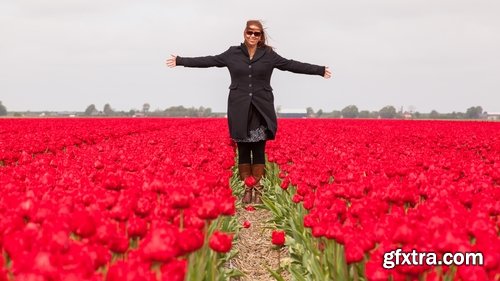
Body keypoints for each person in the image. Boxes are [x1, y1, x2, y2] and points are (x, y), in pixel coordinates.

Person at [166, 20, 331, 204]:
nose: (252, 36)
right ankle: (247, 188)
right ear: (244, 33)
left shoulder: (268, 55)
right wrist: (181, 61)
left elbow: (291, 65)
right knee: (243, 149)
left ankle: (257, 190)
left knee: (259, 148)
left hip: (261, 108)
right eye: (250, 32)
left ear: (261, 36)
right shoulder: (232, 53)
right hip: (239, 108)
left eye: (257, 33)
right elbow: (209, 60)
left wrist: (319, 70)